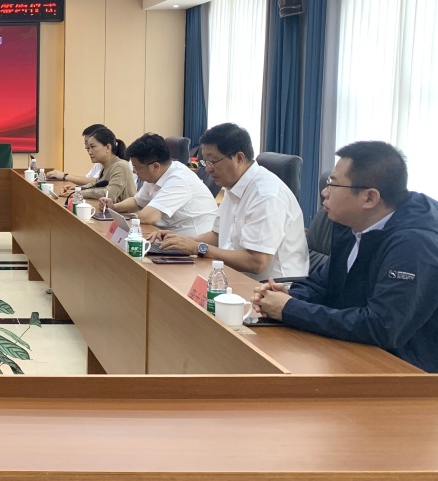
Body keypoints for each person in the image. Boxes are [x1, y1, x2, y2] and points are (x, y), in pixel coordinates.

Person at [253, 141, 438, 372]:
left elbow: (382, 327)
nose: (324, 192)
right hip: (353, 350)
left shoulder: (414, 244)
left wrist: (290, 309)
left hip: (407, 371)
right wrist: (287, 296)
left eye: (333, 184)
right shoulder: (352, 223)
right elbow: (322, 285)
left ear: (369, 198)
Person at [154, 123, 307, 281]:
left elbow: (256, 262)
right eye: (205, 162)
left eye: (213, 162)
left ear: (239, 158)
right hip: (234, 276)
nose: (208, 169)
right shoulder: (233, 184)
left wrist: (197, 248)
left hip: (273, 286)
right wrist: (180, 242)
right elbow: (217, 236)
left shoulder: (266, 195)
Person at [99, 133, 217, 238]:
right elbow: (137, 202)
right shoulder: (155, 176)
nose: (134, 171)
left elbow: (148, 217)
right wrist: (113, 207)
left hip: (194, 245)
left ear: (155, 166)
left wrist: (133, 217)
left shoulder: (179, 180)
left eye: (136, 167)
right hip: (169, 237)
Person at [61, 127, 135, 203]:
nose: (90, 152)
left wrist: (80, 193)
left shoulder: (120, 166)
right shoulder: (106, 166)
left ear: (108, 147)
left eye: (93, 147)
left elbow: (109, 194)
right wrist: (77, 189)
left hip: (124, 211)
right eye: (89, 148)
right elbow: (96, 184)